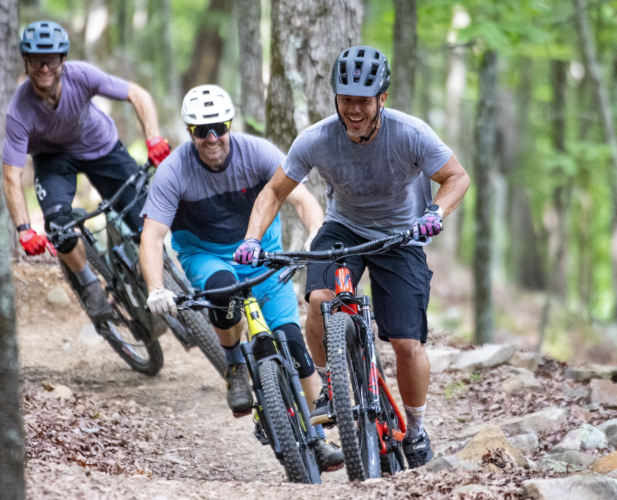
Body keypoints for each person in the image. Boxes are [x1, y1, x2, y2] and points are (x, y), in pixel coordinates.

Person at [234, 46, 470, 469]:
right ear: (335, 99)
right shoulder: (317, 139)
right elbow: (273, 191)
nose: (354, 109)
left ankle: (415, 427)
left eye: (364, 100)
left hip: (402, 237)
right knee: (320, 301)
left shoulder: (410, 133)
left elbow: (456, 176)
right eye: (346, 100)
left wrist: (435, 213)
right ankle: (331, 387)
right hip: (344, 228)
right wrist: (252, 238)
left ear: (382, 98)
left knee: (404, 342)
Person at [139, 84, 344, 471]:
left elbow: (301, 199)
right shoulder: (173, 171)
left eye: (218, 127)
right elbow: (151, 236)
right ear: (189, 133)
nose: (212, 138)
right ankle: (234, 364)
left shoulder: (258, 153)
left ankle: (319, 438)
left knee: (294, 343)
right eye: (202, 131)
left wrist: (316, 230)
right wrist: (156, 288)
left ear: (230, 124)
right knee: (221, 294)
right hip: (205, 253)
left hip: (261, 252)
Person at [2, 21, 170, 324]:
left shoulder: (82, 76)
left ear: (62, 61)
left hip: (101, 146)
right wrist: (24, 229)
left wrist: (154, 137)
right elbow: (11, 176)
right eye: (36, 60)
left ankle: (152, 270)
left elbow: (137, 94)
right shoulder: (19, 110)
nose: (44, 67)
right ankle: (88, 283)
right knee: (60, 229)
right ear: (25, 62)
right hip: (53, 160)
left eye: (51, 59)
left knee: (144, 218)